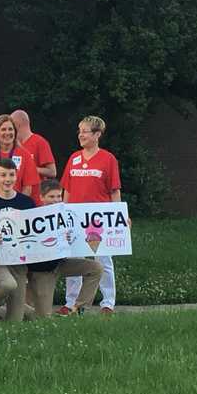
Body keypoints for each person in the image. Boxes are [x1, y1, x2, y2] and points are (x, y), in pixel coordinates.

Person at [61, 115, 122, 315]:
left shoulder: (108, 159)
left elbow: (114, 191)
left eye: (85, 131)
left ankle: (108, 302)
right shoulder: (74, 158)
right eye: (80, 131)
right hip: (75, 218)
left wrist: (119, 216)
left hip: (98, 220)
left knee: (103, 259)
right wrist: (63, 212)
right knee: (75, 259)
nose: (81, 135)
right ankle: (72, 303)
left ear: (97, 134)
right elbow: (67, 189)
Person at [28, 180, 103, 317]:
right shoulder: (33, 217)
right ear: (41, 197)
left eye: (58, 196)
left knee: (96, 268)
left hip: (61, 264)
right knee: (41, 317)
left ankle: (77, 308)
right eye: (51, 197)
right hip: (42, 271)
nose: (56, 200)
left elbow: (86, 228)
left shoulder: (66, 214)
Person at [0, 160, 33, 322]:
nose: (7, 179)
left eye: (11, 175)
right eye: (3, 175)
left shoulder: (27, 203)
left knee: (15, 320)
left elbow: (34, 233)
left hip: (19, 260)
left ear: (16, 176)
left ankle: (12, 309)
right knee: (9, 284)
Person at [11, 109, 57, 179]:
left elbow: (52, 172)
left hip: (35, 188)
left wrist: (30, 168)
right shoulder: (12, 144)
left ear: (17, 125)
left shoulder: (40, 142)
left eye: (11, 125)